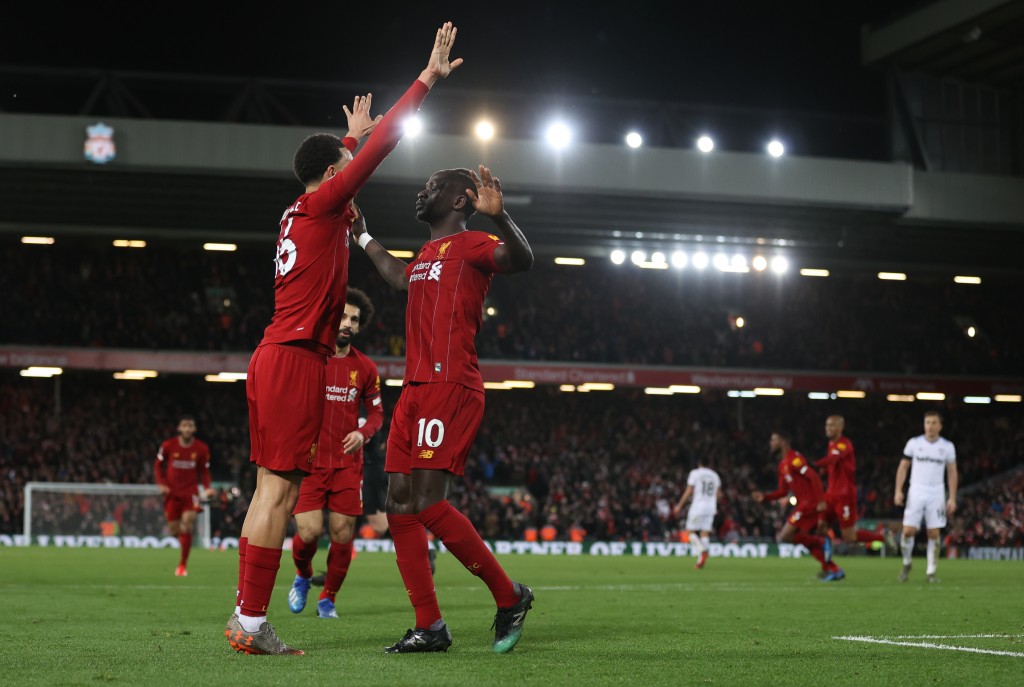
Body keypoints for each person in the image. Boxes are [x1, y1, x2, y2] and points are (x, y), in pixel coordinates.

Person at [225, 21, 463, 656]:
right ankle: (250, 624)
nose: (352, 170)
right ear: (333, 174)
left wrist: (348, 135)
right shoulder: (325, 204)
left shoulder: (298, 210)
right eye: (345, 165)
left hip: (275, 355)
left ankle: (245, 617)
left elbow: (354, 152)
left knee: (266, 490)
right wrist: (425, 82)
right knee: (277, 493)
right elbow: (380, 149)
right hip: (297, 359)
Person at [353, 163, 535, 654]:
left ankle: (510, 596)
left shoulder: (474, 243)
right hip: (413, 389)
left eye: (433, 187)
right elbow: (399, 276)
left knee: (430, 503)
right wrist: (363, 235)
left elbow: (521, 260)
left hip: (450, 384)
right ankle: (430, 625)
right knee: (398, 506)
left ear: (459, 200)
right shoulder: (428, 254)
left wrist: (501, 218)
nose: (422, 192)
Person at [286, 288, 383, 619]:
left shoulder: (366, 368)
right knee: (309, 532)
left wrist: (362, 432)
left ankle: (328, 598)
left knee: (342, 535)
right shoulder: (311, 358)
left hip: (347, 466)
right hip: (311, 464)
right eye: (342, 316)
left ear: (359, 326)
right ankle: (302, 575)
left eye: (354, 319)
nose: (348, 323)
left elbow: (377, 415)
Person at [752, 431, 843, 581]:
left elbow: (813, 476)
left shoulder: (795, 459)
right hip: (803, 505)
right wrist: (765, 498)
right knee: (795, 537)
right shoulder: (782, 465)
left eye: (773, 440)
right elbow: (782, 491)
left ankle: (820, 543)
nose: (771, 443)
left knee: (784, 535)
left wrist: (820, 501)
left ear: (783, 442)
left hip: (810, 504)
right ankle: (832, 568)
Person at [894, 410, 958, 583]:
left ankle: (931, 571)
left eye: (933, 423)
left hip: (936, 493)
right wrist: (898, 490)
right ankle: (907, 563)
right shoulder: (914, 443)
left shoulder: (947, 446)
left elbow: (952, 472)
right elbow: (903, 467)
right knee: (908, 531)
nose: (930, 426)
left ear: (940, 426)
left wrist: (952, 497)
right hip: (916, 490)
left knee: (933, 533)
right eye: (927, 422)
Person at [814, 415, 887, 555]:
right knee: (821, 527)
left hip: (844, 496)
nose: (828, 428)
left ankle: (882, 537)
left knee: (849, 536)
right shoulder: (831, 445)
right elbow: (832, 465)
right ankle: (828, 563)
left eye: (832, 425)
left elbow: (833, 459)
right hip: (830, 494)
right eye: (827, 425)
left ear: (841, 427)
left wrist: (815, 465)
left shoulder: (844, 444)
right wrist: (822, 471)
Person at [155, 415, 215, 577]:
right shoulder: (168, 445)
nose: (187, 429)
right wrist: (161, 484)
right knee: (174, 530)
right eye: (184, 426)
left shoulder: (201, 449)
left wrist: (208, 488)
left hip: (191, 493)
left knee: (188, 524)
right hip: (172, 494)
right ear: (179, 429)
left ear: (194, 429)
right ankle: (184, 540)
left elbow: (204, 471)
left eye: (190, 426)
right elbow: (158, 465)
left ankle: (182, 565)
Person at [674, 459, 721, 569]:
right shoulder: (715, 476)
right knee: (704, 533)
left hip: (698, 506)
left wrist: (679, 505)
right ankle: (700, 561)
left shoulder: (695, 473)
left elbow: (688, 491)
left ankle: (702, 551)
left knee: (690, 532)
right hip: (711, 507)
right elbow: (718, 495)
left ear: (699, 464)